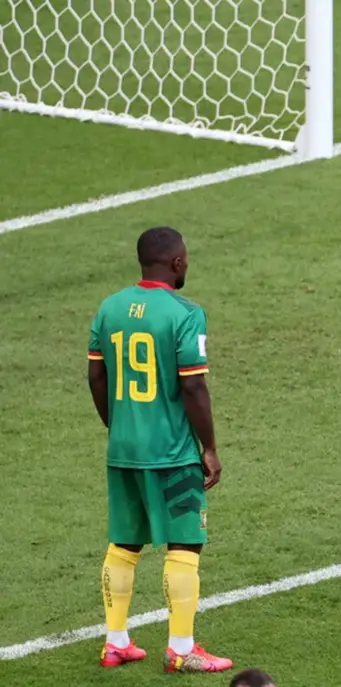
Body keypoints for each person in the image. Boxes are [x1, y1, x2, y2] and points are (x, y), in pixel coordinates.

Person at [88, 226, 233, 672]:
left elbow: (96, 377)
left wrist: (120, 424)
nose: (187, 263)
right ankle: (182, 648)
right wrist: (208, 446)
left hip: (123, 448)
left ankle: (115, 642)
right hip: (171, 452)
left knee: (124, 542)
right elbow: (193, 385)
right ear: (175, 263)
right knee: (185, 543)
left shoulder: (109, 307)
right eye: (185, 258)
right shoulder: (185, 313)